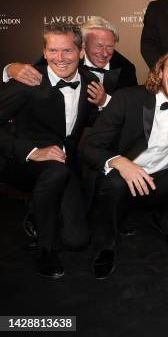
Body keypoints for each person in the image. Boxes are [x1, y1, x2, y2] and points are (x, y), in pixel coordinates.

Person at [80, 49, 168, 279]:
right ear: (160, 72)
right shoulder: (127, 98)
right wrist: (121, 162)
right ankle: (106, 247)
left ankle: (166, 220)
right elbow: (90, 147)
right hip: (122, 179)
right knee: (114, 185)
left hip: (160, 180)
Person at [0, 22, 104, 278]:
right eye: (53, 51)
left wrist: (102, 103)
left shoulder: (90, 81)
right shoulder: (29, 81)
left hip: (63, 165)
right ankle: (46, 250)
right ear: (44, 53)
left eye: (67, 51)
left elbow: (89, 120)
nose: (60, 58)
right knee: (55, 171)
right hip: (23, 163)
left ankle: (40, 210)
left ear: (81, 53)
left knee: (78, 241)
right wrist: (32, 151)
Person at [3, 16, 136, 99]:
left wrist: (104, 100)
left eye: (110, 46)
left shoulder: (126, 68)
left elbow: (129, 109)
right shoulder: (63, 56)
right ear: (82, 46)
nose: (105, 53)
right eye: (98, 46)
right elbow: (30, 74)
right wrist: (10, 69)